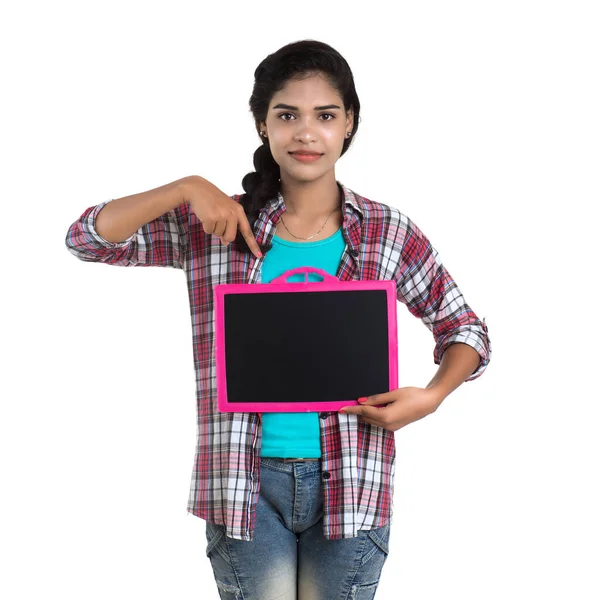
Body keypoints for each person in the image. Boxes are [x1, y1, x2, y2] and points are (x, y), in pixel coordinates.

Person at [65, 39, 491, 600]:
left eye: (325, 115)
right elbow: (86, 239)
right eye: (287, 115)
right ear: (263, 125)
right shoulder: (217, 225)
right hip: (244, 486)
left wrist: (431, 397)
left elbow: (465, 328)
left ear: (349, 125)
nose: (306, 133)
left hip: (354, 484)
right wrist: (187, 186)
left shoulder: (388, 232)